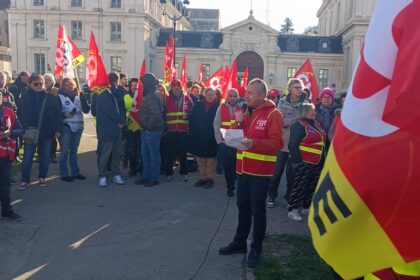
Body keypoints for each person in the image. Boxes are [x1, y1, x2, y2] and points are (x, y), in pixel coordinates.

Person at [218, 78, 283, 269]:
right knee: (242, 207)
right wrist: (238, 124)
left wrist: (254, 143)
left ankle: (256, 248)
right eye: (246, 92)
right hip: (243, 169)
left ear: (262, 95)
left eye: (250, 92)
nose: (246, 95)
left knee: (258, 210)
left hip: (260, 171)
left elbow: (277, 143)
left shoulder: (274, 114)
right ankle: (239, 242)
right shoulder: (246, 112)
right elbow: (238, 138)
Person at [267, 78, 305, 208]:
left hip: (296, 145)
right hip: (282, 144)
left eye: (300, 88)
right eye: (296, 87)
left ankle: (290, 197)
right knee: (276, 173)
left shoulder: (305, 104)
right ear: (289, 89)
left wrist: (293, 119)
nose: (299, 90)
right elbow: (282, 122)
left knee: (292, 175)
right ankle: (271, 196)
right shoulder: (282, 103)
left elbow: (305, 123)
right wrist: (297, 118)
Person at [19, 74, 61, 190]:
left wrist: (58, 129)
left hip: (47, 132)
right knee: (28, 157)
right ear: (29, 84)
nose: (39, 86)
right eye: (35, 84)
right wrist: (25, 127)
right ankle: (25, 180)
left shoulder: (50, 97)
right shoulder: (25, 97)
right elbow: (21, 114)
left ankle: (42, 177)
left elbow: (58, 114)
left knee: (45, 156)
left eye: (41, 84)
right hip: (30, 131)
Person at [287, 102, 327, 222]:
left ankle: (306, 206)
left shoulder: (316, 124)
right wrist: (299, 162)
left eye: (314, 110)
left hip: (317, 162)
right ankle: (292, 209)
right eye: (310, 111)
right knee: (300, 186)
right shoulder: (299, 125)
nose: (313, 112)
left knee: (312, 186)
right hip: (304, 162)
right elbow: (292, 145)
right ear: (303, 112)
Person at [96, 72, 126, 187]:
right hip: (108, 128)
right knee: (106, 153)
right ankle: (102, 175)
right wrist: (121, 121)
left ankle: (116, 174)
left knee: (117, 153)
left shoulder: (118, 93)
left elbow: (122, 109)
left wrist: (122, 121)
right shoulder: (104, 95)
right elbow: (110, 112)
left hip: (118, 128)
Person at [135, 73, 165, 187]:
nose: (141, 85)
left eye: (142, 82)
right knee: (145, 154)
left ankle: (154, 178)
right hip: (147, 129)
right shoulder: (151, 94)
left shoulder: (152, 96)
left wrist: (148, 127)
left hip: (151, 130)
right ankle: (146, 176)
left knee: (153, 154)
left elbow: (155, 114)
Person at [58, 78, 89, 182]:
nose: (70, 86)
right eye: (67, 85)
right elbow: (55, 112)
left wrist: (83, 99)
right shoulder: (60, 96)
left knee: (74, 151)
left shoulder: (79, 96)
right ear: (63, 86)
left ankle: (75, 172)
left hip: (78, 126)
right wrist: (63, 115)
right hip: (67, 126)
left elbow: (86, 110)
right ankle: (64, 174)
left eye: (71, 84)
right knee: (64, 151)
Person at [0, 91, 25, 221]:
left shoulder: (9, 111)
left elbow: (21, 129)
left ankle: (6, 211)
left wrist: (10, 132)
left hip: (6, 154)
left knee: (5, 184)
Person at [163, 79, 193, 182]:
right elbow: (162, 115)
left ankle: (184, 173)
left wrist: (188, 116)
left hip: (183, 131)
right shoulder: (166, 99)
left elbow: (193, 114)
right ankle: (169, 173)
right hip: (170, 131)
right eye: (174, 86)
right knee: (169, 154)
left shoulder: (188, 99)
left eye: (178, 86)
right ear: (171, 88)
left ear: (181, 88)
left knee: (183, 154)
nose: (176, 88)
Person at [213, 88, 242, 197]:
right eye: (230, 96)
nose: (233, 98)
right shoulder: (221, 107)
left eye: (235, 96)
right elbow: (216, 124)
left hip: (238, 143)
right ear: (227, 97)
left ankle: (236, 184)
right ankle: (230, 187)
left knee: (237, 166)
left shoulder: (242, 108)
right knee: (227, 166)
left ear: (238, 97)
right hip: (225, 143)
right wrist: (219, 141)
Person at [189, 87, 219, 188]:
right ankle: (203, 178)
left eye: (212, 94)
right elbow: (192, 118)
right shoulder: (198, 104)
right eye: (209, 94)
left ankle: (210, 179)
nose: (210, 96)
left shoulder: (218, 106)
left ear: (215, 96)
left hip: (211, 136)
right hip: (199, 135)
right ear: (204, 95)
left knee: (211, 159)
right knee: (200, 158)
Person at [123, 78, 141, 177]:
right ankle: (132, 168)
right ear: (129, 87)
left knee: (140, 149)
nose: (134, 87)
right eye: (132, 85)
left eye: (136, 86)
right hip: (129, 127)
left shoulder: (142, 97)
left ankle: (139, 167)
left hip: (140, 127)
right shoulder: (125, 97)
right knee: (131, 149)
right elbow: (122, 111)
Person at [43, 73, 60, 162]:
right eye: (45, 79)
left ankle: (52, 154)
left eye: (48, 79)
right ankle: (42, 155)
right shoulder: (40, 90)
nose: (46, 81)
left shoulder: (56, 91)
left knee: (53, 139)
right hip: (43, 119)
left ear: (52, 81)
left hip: (53, 119)